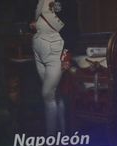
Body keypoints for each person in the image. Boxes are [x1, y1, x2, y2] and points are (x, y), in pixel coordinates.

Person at [31, 0, 79, 135]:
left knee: (48, 94)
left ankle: (51, 139)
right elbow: (32, 18)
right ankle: (61, 135)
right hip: (38, 47)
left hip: (57, 50)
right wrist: (33, 25)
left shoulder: (67, 3)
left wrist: (67, 55)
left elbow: (73, 29)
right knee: (55, 95)